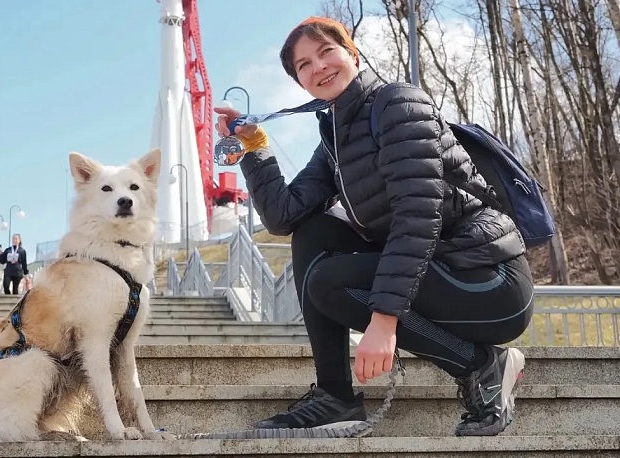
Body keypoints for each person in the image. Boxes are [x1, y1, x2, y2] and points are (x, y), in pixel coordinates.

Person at [213, 16, 534, 437]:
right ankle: (336, 397)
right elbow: (283, 216)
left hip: (487, 281)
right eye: (304, 65)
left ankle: (481, 365)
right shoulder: (335, 144)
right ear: (301, 83)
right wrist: (255, 148)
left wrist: (383, 320)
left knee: (327, 281)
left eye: (327, 51)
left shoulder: (398, 104)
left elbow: (418, 213)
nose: (319, 67)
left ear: (353, 54)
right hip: (435, 273)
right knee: (313, 232)